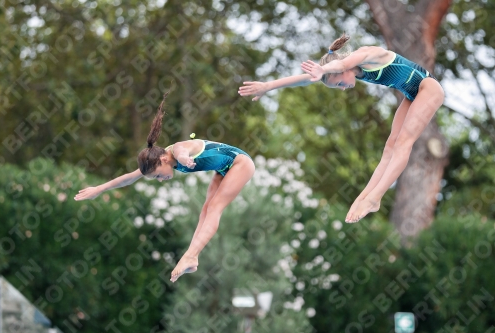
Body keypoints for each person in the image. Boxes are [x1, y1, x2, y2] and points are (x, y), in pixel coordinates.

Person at [238, 33, 444, 223]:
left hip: (428, 87)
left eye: (338, 84)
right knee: (390, 146)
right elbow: (302, 81)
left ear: (340, 70)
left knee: (403, 143)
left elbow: (342, 63)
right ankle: (366, 197)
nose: (343, 88)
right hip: (412, 94)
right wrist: (268, 86)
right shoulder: (351, 70)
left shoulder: (366, 54)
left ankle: (375, 197)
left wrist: (324, 69)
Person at [74, 93, 255, 282]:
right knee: (206, 209)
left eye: (159, 175)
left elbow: (181, 150)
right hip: (223, 168)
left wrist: (185, 158)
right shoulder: (160, 159)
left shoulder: (176, 149)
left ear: (163, 159)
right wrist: (99, 189)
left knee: (215, 207)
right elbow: (128, 178)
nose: (161, 179)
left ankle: (190, 255)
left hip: (240, 163)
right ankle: (192, 258)